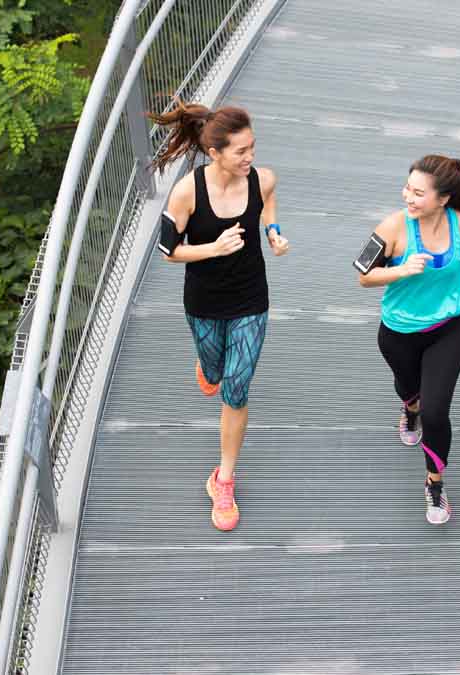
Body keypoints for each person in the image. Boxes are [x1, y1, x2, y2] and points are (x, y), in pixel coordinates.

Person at [149, 100, 290, 531]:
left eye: (252, 147)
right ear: (215, 154)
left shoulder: (261, 179)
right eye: (240, 151)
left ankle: (223, 478)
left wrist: (274, 233)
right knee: (214, 370)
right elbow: (167, 250)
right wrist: (212, 248)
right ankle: (207, 366)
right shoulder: (187, 192)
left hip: (251, 299)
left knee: (236, 386)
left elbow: (269, 204)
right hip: (205, 302)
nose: (250, 158)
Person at [355, 154, 460, 525]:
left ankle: (434, 483)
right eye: (408, 188)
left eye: (418, 193)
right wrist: (401, 270)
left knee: (436, 411)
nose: (408, 197)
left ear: (443, 199)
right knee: (409, 389)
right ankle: (409, 408)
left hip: (448, 331)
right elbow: (362, 276)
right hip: (398, 332)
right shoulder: (391, 228)